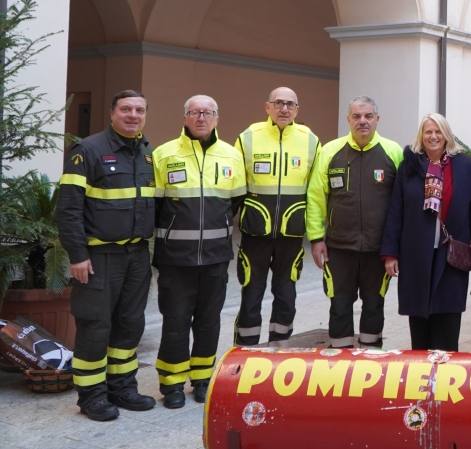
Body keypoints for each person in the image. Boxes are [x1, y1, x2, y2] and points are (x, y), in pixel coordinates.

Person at [56, 90, 157, 421]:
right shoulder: (88, 150)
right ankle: (92, 397)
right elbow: (68, 208)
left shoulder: (147, 153)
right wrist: (77, 254)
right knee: (95, 326)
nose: (133, 115)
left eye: (139, 110)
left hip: (136, 254)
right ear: (112, 113)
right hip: (99, 257)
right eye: (126, 109)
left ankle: (122, 388)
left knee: (130, 324)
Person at [152, 95, 246, 408]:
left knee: (208, 321)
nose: (201, 118)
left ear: (217, 118)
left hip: (216, 258)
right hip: (175, 259)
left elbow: (236, 202)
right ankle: (172, 385)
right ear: (185, 118)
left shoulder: (232, 156)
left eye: (207, 113)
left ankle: (203, 380)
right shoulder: (164, 154)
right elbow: (155, 205)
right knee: (175, 321)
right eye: (194, 112)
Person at [381, 114, 471, 351]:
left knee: (447, 323)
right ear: (421, 135)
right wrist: (390, 253)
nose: (433, 136)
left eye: (438, 131)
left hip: (451, 253)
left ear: (446, 135)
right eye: (428, 131)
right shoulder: (409, 166)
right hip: (415, 253)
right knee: (419, 325)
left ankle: (446, 370)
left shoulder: (463, 165)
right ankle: (421, 370)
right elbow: (396, 211)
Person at [306, 96, 403, 348]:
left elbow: (403, 202)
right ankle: (340, 360)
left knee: (374, 305)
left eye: (368, 116)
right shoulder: (330, 151)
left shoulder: (393, 152)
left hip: (378, 250)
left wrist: (396, 246)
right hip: (338, 248)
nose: (363, 121)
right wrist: (316, 239)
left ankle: (371, 360)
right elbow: (316, 197)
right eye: (357, 116)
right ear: (348, 119)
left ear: (377, 119)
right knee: (339, 305)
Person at [233, 87, 320, 346]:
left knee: (286, 295)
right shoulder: (248, 137)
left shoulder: (310, 140)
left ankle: (279, 351)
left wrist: (316, 235)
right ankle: (246, 352)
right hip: (255, 232)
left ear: (297, 110)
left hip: (291, 235)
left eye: (290, 104)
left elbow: (316, 192)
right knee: (251, 294)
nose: (284, 109)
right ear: (267, 107)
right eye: (279, 103)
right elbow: (234, 187)